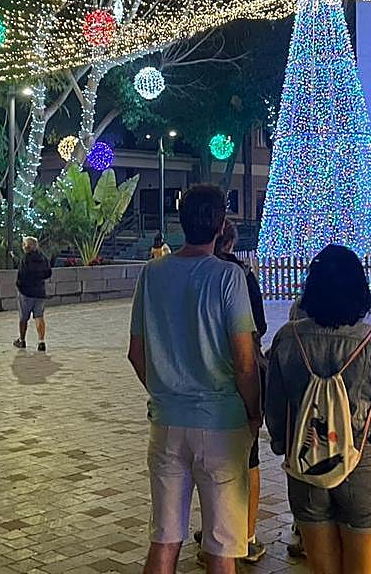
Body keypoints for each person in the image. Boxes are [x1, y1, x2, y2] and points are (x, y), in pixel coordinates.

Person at [127, 184, 262, 574]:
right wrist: (253, 414)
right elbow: (244, 361)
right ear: (221, 224)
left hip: (166, 422)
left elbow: (136, 353)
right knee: (221, 548)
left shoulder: (152, 273)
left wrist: (165, 392)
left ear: (179, 222)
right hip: (221, 423)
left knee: (164, 540)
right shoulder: (228, 277)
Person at [265, 244, 371, 574]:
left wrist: (280, 443)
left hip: (306, 460)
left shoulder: (287, 339)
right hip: (363, 460)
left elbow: (274, 404)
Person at [211, 219, 268, 562]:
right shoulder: (241, 275)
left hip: (202, 384)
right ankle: (246, 535)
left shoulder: (195, 273)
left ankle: (217, 531)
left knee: (210, 463)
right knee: (248, 459)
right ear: (231, 242)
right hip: (237, 374)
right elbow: (258, 325)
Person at [14, 236, 53, 351]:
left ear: (27, 247)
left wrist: (20, 286)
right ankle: (41, 341)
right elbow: (48, 273)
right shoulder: (43, 258)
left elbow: (21, 275)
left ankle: (22, 340)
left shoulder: (25, 259)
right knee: (39, 316)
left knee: (23, 318)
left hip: (26, 293)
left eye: (23, 244)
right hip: (40, 291)